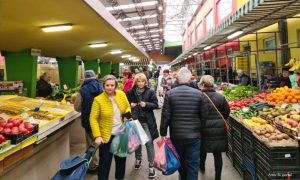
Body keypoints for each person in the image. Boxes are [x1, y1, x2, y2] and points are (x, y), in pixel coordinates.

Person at [160, 67, 206, 180]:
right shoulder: (199, 94)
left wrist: (163, 132)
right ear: (190, 79)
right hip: (194, 136)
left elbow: (165, 115)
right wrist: (201, 131)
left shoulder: (170, 94)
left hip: (177, 135)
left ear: (177, 79)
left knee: (180, 160)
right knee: (193, 164)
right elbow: (204, 116)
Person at [89, 75, 131, 180]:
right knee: (105, 162)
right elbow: (93, 119)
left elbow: (127, 106)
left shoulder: (121, 94)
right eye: (107, 85)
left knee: (121, 160)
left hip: (121, 133)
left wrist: (127, 115)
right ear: (103, 86)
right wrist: (97, 136)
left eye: (112, 85)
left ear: (115, 85)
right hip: (106, 136)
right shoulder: (98, 100)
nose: (110, 87)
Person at [126, 73, 159, 179]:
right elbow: (125, 104)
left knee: (149, 143)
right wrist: (129, 105)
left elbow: (155, 104)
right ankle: (138, 159)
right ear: (135, 82)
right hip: (135, 121)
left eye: (142, 81)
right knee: (137, 142)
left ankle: (151, 166)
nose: (140, 83)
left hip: (146, 121)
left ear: (145, 82)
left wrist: (147, 104)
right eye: (138, 81)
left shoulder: (150, 91)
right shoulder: (130, 92)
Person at [198, 75, 230, 180]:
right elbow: (227, 112)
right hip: (219, 128)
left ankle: (202, 167)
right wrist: (219, 120)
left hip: (204, 128)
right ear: (212, 84)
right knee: (217, 153)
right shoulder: (220, 97)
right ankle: (218, 177)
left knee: (203, 149)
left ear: (203, 85)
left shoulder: (199, 97)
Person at [74, 70, 103, 172]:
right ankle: (104, 164)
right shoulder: (103, 87)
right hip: (102, 121)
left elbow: (77, 107)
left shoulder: (83, 90)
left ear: (84, 78)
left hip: (89, 121)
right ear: (94, 76)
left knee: (91, 143)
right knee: (103, 143)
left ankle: (93, 166)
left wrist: (85, 108)